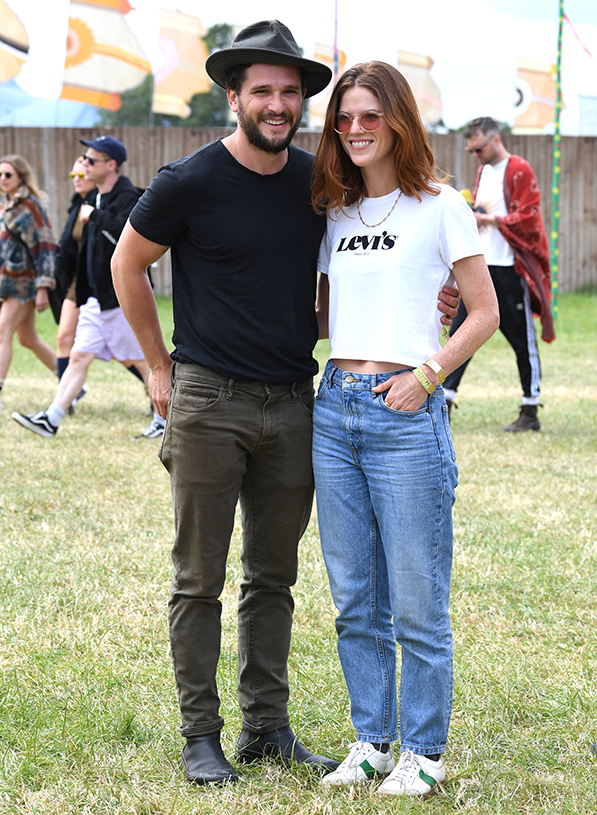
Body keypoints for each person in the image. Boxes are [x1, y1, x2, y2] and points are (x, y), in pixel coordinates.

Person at [111, 21, 459, 787]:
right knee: (197, 577)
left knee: (274, 577)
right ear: (231, 95)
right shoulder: (187, 181)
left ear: (303, 100)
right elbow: (125, 263)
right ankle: (202, 734)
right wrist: (159, 370)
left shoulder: (317, 188)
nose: (277, 104)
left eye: (290, 92)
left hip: (299, 403)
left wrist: (426, 295)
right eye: (261, 90)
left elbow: (361, 271)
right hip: (207, 399)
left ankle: (266, 725)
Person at [310, 62, 499, 797]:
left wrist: (427, 376)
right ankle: (372, 741)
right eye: (344, 119)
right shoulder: (334, 212)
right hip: (334, 407)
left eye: (368, 116)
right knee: (355, 594)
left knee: (418, 595)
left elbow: (481, 310)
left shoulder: (441, 204)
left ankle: (424, 748)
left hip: (405, 408)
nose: (354, 129)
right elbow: (325, 318)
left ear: (397, 121)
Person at [12, 136, 159, 439]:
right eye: (85, 159)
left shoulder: (128, 197)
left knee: (147, 364)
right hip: (95, 298)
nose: (85, 164)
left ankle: (166, 421)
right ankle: (52, 418)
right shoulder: (94, 199)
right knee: (78, 358)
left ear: (111, 165)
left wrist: (96, 217)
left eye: (91, 161)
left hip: (120, 298)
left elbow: (129, 238)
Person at [443, 116, 555, 431]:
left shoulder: (519, 168)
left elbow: (529, 215)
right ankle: (445, 400)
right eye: (471, 151)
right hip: (483, 266)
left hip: (509, 267)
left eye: (478, 148)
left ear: (494, 139)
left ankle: (530, 410)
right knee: (461, 334)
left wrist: (488, 220)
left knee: (523, 342)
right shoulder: (484, 171)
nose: (475, 154)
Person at [0, 154, 57, 410]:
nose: (3, 179)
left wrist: (43, 287)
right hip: (6, 282)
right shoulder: (7, 204)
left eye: (8, 174)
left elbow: (45, 247)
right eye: (0, 175)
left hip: (23, 283)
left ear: (21, 177)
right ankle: (71, 383)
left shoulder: (31, 206)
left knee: (3, 331)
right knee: (28, 339)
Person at [54, 159, 97, 411]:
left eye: (81, 173)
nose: (76, 178)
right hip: (76, 282)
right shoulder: (77, 204)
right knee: (64, 338)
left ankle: (154, 392)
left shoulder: (98, 203)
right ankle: (64, 402)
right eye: (73, 173)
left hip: (95, 283)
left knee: (126, 353)